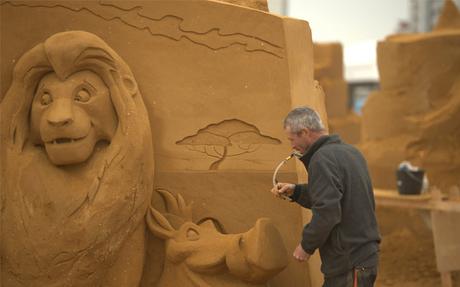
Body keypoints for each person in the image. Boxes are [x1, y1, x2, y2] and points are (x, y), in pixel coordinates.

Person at [271, 106, 380, 287]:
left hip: (348, 260)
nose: (292, 145)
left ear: (305, 132)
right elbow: (338, 196)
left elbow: (328, 212)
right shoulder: (352, 152)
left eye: (292, 139)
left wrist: (306, 246)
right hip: (361, 256)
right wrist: (296, 191)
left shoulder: (321, 159)